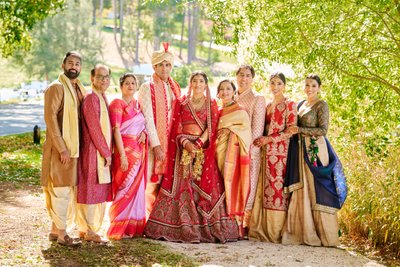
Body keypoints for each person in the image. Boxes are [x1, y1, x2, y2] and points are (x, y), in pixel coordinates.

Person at [144, 71, 239, 243]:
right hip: (183, 150)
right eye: (194, 81)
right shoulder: (182, 102)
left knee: (202, 185)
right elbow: (176, 127)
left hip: (202, 150)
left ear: (205, 84)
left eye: (201, 81)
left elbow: (212, 127)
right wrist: (185, 143)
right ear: (190, 83)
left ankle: (206, 227)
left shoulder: (211, 103)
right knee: (183, 185)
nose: (197, 84)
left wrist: (199, 144)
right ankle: (182, 225)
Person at [281, 74, 347, 247]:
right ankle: (303, 231)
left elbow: (323, 130)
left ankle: (326, 235)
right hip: (300, 148)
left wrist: (299, 130)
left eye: (313, 86)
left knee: (317, 187)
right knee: (304, 189)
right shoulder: (302, 104)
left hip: (315, 149)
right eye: (307, 85)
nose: (309, 88)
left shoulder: (321, 105)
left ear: (319, 87)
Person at [42, 51, 85, 246]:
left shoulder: (78, 89)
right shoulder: (57, 88)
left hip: (73, 148)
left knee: (67, 188)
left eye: (77, 63)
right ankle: (62, 234)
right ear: (63, 65)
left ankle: (54, 229)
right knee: (61, 189)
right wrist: (61, 148)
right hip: (60, 150)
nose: (73, 67)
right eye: (70, 63)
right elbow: (50, 119)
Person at [249, 72, 297, 243]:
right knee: (264, 187)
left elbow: (291, 130)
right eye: (272, 83)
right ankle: (261, 228)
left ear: (284, 86)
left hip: (280, 153)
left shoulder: (289, 104)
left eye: (279, 83)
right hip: (264, 152)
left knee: (276, 191)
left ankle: (275, 232)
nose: (275, 87)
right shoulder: (268, 105)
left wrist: (269, 139)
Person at [138, 43, 181, 218]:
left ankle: (159, 219)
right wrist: (156, 145)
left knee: (166, 180)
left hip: (172, 142)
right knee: (150, 180)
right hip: (153, 143)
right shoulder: (147, 87)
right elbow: (147, 117)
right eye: (161, 65)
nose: (164, 68)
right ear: (154, 66)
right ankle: (145, 217)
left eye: (168, 65)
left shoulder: (174, 87)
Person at [107, 73, 147, 240]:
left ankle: (133, 227)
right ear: (121, 86)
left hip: (139, 152)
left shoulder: (138, 105)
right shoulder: (117, 104)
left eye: (133, 83)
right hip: (124, 151)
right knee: (124, 187)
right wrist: (122, 155)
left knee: (136, 189)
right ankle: (119, 226)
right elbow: (116, 130)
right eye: (127, 83)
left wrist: (144, 133)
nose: (131, 86)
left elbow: (142, 125)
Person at [76, 64, 113, 243]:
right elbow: (94, 129)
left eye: (106, 77)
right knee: (90, 190)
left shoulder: (102, 97)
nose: (103, 80)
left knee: (98, 190)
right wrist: (106, 153)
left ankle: (89, 229)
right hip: (92, 152)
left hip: (100, 151)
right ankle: (89, 229)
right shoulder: (91, 99)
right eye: (100, 76)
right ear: (92, 79)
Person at [215, 79, 252, 239]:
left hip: (233, 153)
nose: (225, 92)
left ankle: (234, 226)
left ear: (233, 91)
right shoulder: (216, 110)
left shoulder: (240, 111)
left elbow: (245, 133)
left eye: (228, 89)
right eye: (221, 89)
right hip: (216, 152)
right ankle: (219, 223)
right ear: (218, 93)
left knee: (231, 184)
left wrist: (228, 132)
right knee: (218, 185)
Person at [235, 64, 266, 233]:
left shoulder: (257, 99)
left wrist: (250, 152)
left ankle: (245, 227)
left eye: (247, 75)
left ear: (252, 79)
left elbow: (257, 129)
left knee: (248, 186)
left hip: (249, 151)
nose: (243, 79)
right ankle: (231, 223)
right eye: (241, 75)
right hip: (231, 150)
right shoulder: (230, 96)